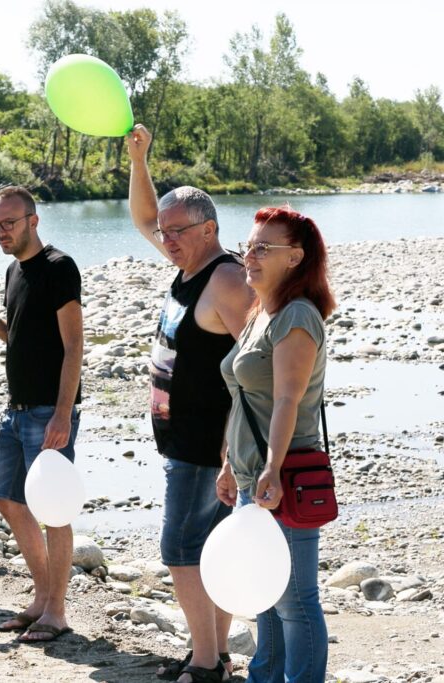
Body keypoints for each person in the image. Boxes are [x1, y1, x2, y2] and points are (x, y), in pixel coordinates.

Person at [127, 124, 254, 681]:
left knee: (181, 549)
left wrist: (234, 448)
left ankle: (205, 662)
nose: (164, 238)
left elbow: (258, 367)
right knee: (209, 549)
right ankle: (215, 655)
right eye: (163, 232)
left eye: (175, 232)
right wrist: (139, 159)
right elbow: (140, 217)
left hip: (208, 446)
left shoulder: (225, 279)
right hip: (185, 441)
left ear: (208, 230)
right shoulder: (187, 267)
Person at [218, 207, 334, 683]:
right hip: (252, 476)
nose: (250, 255)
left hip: (282, 476)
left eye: (264, 247)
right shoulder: (260, 313)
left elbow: (288, 399)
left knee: (296, 599)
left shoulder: (298, 316)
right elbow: (243, 398)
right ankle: (264, 677)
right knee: (263, 591)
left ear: (295, 258)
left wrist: (271, 469)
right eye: (249, 245)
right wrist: (229, 464)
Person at [0, 186, 83, 642]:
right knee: (7, 499)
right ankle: (42, 597)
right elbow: (23, 343)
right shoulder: (13, 271)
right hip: (15, 409)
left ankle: (56, 610)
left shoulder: (59, 267)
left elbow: (74, 345)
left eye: (9, 223)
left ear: (33, 221)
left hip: (47, 412)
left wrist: (62, 414)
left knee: (54, 510)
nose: (1, 231)